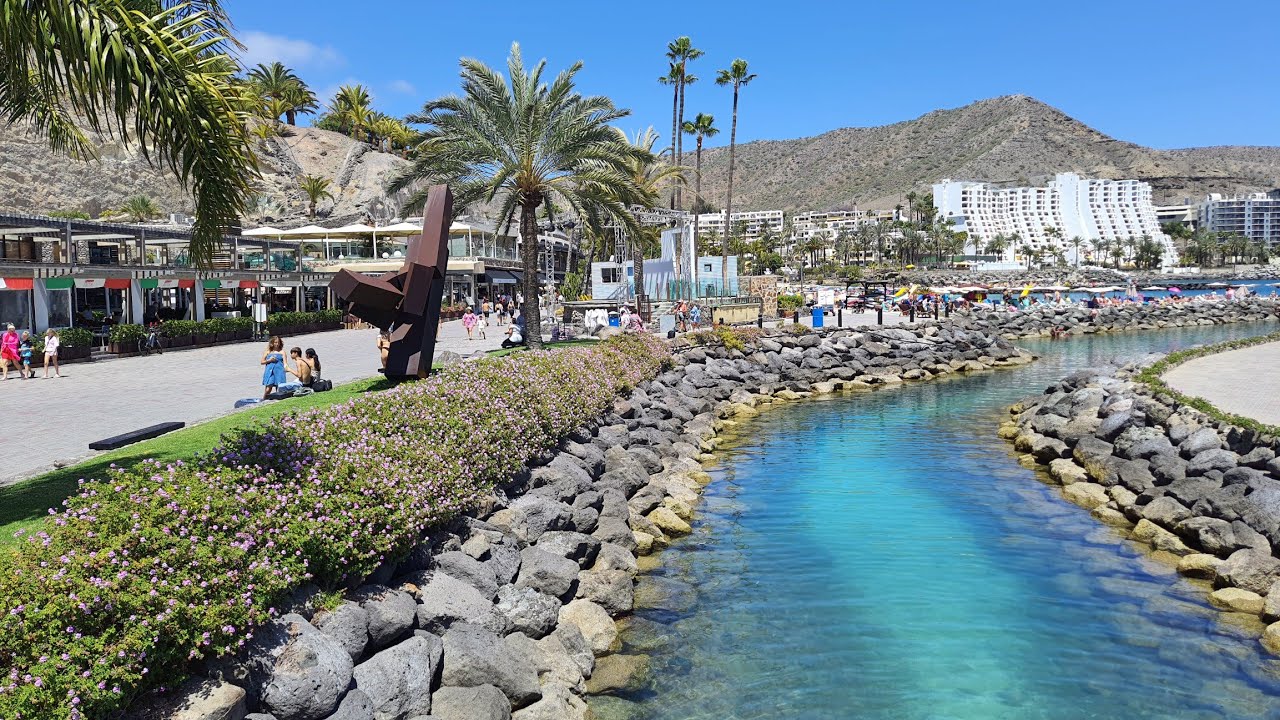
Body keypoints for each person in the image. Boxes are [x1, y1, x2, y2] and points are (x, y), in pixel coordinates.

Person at [260, 335, 286, 400]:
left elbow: (285, 363)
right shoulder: (268, 352)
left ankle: (279, 400)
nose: (277, 344)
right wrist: (269, 360)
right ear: (272, 343)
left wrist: (286, 369)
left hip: (279, 371)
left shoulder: (282, 352)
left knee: (279, 388)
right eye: (275, 342)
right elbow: (262, 362)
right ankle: (263, 400)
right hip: (270, 371)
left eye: (278, 342)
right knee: (268, 388)